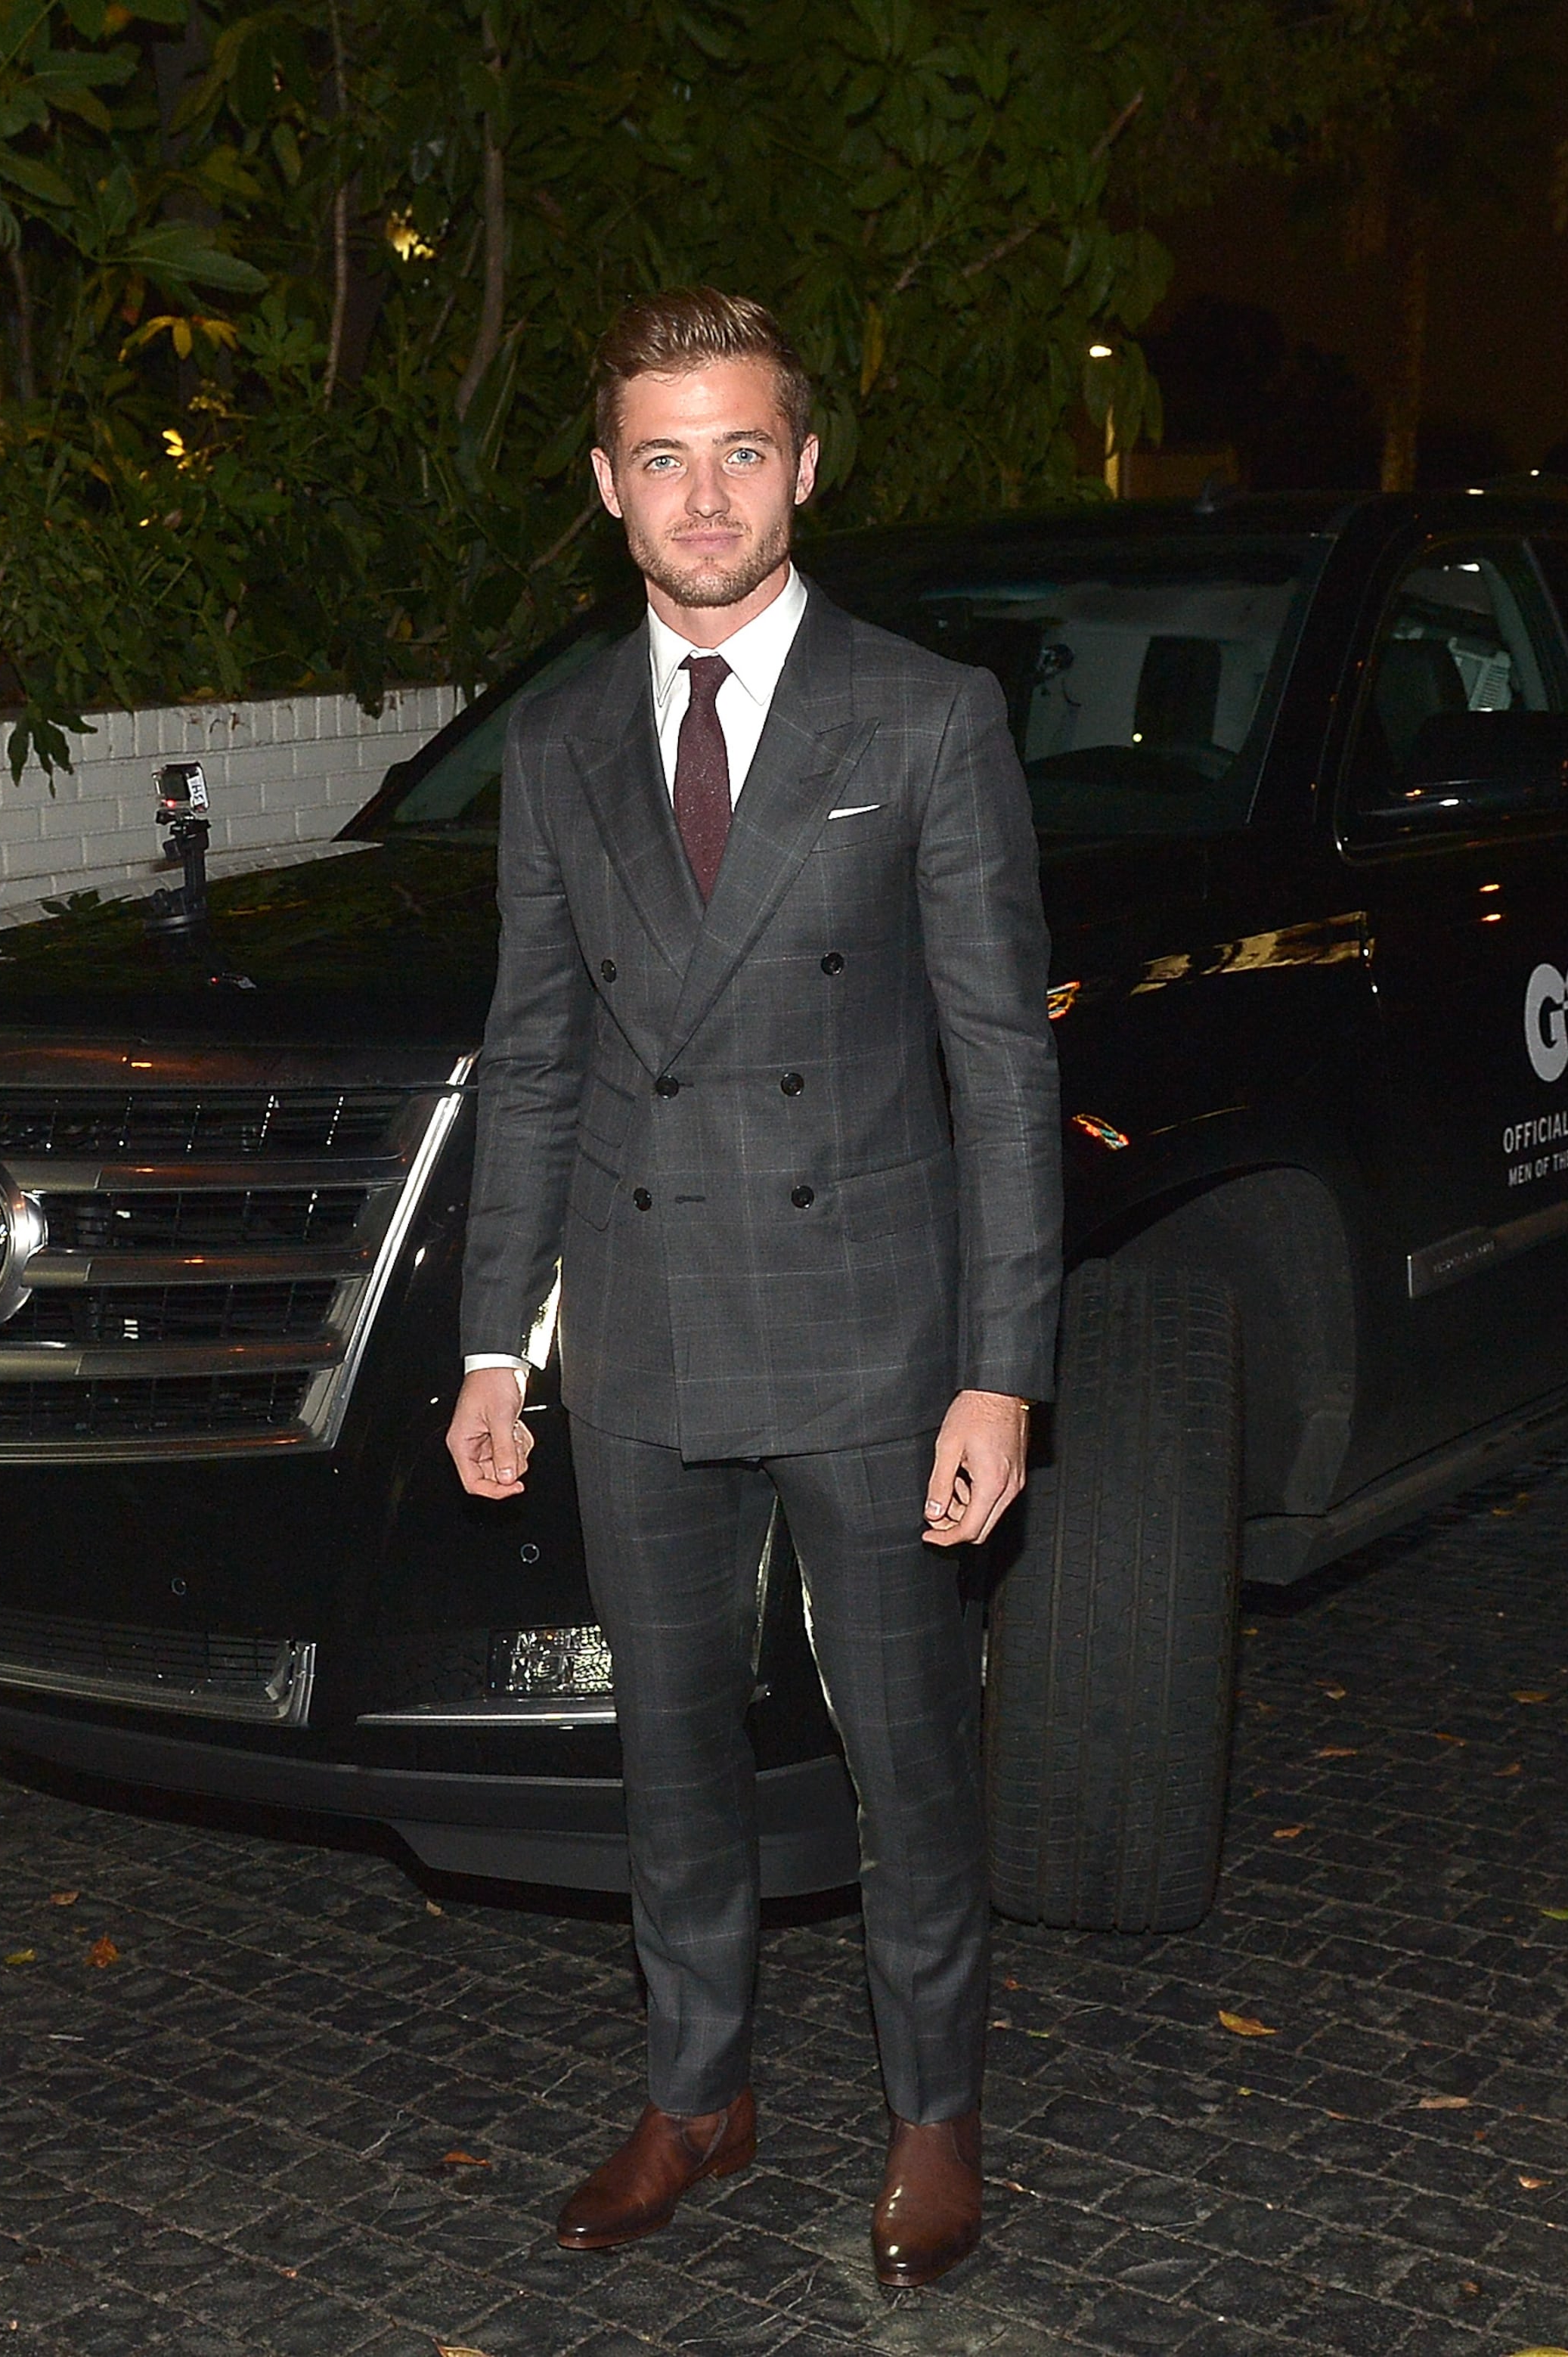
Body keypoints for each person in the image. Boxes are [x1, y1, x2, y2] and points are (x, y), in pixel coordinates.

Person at [444, 287, 1061, 2290]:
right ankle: (697, 2086)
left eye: (740, 449)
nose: (702, 494)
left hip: (876, 1331)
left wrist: (1003, 1370)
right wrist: (491, 1337)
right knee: (673, 1751)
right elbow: (534, 1052)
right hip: (636, 1329)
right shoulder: (552, 742)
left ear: (801, 465)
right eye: (660, 453)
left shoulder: (924, 716)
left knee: (905, 1749)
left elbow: (1003, 1059)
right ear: (607, 486)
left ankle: (930, 2109)